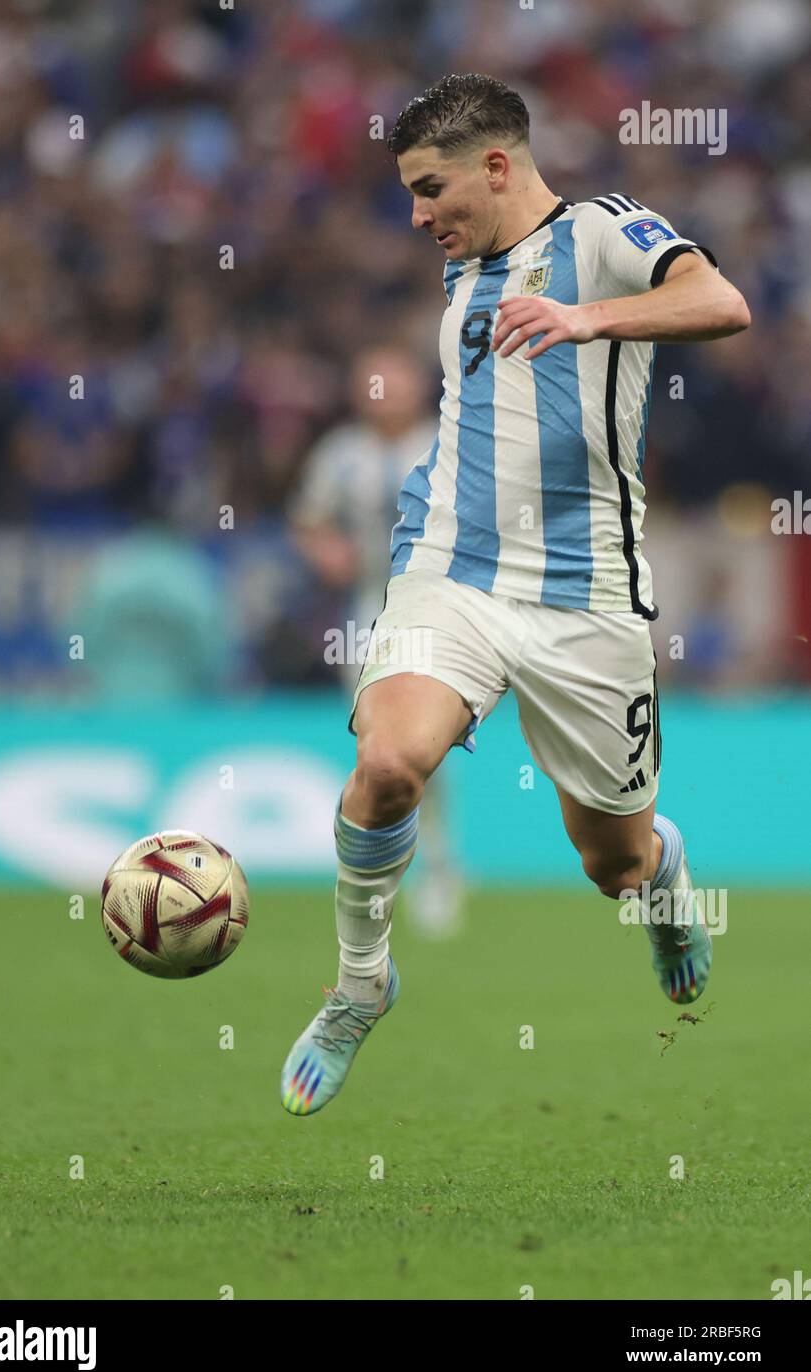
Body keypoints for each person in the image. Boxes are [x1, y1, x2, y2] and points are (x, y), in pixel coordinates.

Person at [281, 73, 750, 1116]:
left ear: (496, 167)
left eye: (427, 187)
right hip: (451, 566)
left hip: (586, 596)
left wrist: (586, 321)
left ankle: (660, 874)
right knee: (390, 764)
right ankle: (360, 985)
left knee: (610, 861)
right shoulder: (463, 274)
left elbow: (719, 301)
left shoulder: (599, 232)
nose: (415, 214)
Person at [289, 343, 466, 936]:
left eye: (393, 382)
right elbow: (309, 519)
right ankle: (384, 874)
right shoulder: (341, 455)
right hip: (369, 612)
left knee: (426, 747)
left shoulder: (449, 439)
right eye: (374, 383)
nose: (383, 394)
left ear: (418, 386)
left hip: (440, 607)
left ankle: (438, 866)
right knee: (377, 746)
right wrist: (326, 550)